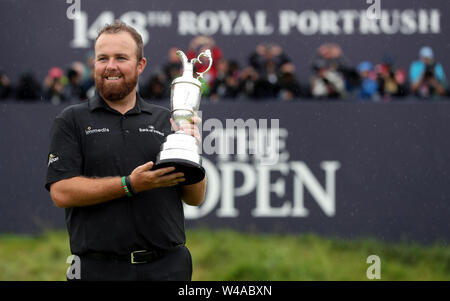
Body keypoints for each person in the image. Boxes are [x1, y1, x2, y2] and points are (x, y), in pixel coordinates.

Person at [45, 20, 206, 281]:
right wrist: (129, 185)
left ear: (140, 65)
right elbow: (61, 192)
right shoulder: (71, 120)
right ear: (93, 64)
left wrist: (192, 151)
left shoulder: (166, 119)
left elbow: (195, 197)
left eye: (121, 58)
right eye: (102, 58)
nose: (111, 66)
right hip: (97, 269)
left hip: (168, 267)